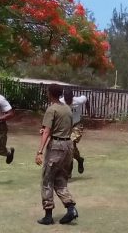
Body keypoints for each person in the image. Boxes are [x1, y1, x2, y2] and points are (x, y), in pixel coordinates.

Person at [35, 84, 78, 225]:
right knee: (61, 179)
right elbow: (68, 127)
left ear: (50, 93)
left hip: (56, 146)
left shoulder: (51, 109)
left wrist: (40, 151)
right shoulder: (67, 109)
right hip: (68, 146)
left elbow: (47, 131)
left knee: (47, 180)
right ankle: (71, 208)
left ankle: (48, 215)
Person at [59, 88, 90, 176]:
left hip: (77, 125)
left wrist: (89, 112)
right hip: (66, 127)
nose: (68, 101)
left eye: (69, 99)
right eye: (66, 99)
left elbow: (86, 100)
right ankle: (79, 160)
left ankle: (69, 170)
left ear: (72, 97)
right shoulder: (61, 102)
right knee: (68, 147)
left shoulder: (78, 100)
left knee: (70, 144)